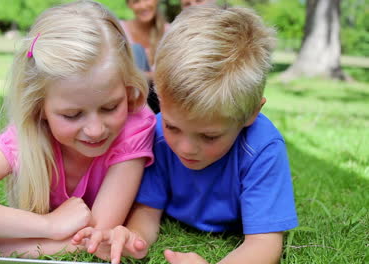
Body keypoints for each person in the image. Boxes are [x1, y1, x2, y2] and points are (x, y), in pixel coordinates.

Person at [0, 0, 156, 258]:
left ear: (127, 93)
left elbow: (95, 240)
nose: (95, 130)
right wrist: (50, 225)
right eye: (72, 115)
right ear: (40, 110)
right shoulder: (28, 136)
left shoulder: (134, 125)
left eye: (110, 107)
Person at [72, 5, 298, 264]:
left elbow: (264, 243)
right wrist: (133, 238)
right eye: (173, 127)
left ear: (250, 115)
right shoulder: (155, 133)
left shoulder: (262, 148)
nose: (186, 148)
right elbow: (147, 210)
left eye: (209, 136)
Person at [121, 0, 169, 113]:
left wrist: (145, 76)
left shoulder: (170, 31)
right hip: (132, 98)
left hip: (161, 101)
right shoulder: (120, 29)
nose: (143, 6)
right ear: (129, 5)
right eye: (136, 1)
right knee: (136, 50)